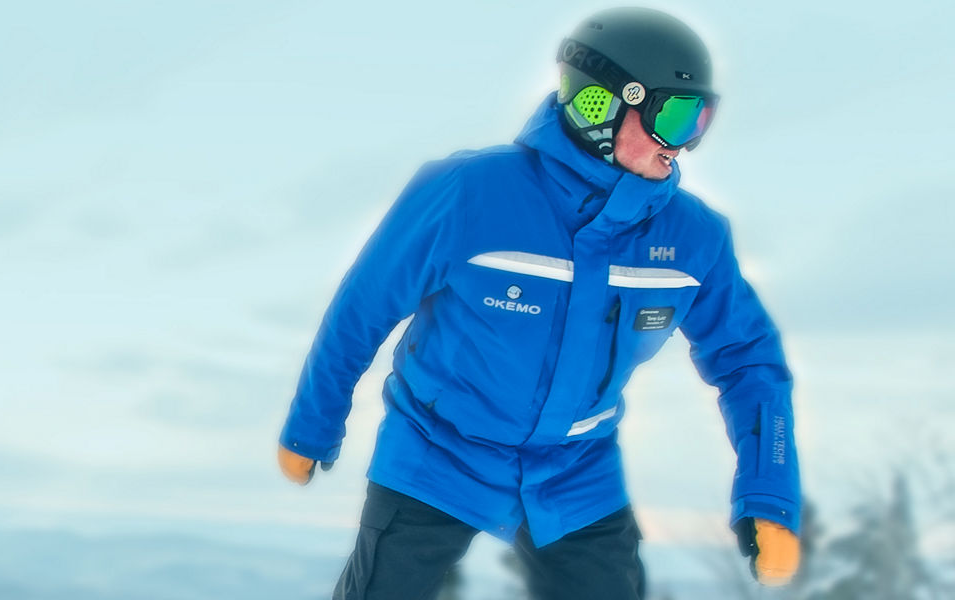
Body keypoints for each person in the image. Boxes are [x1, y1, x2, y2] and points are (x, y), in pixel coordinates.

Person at [274, 7, 801, 599]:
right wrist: (311, 426)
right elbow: (363, 309)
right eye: (676, 117)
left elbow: (749, 362)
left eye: (699, 120)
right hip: (438, 453)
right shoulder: (470, 193)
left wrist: (770, 492)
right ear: (604, 106)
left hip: (575, 473)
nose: (685, 145)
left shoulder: (693, 238)